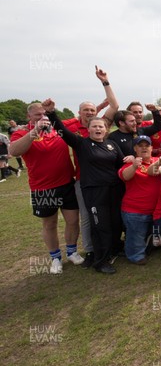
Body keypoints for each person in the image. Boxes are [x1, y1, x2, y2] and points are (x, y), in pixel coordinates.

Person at [44, 99, 128, 274]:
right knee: (100, 226)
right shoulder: (81, 144)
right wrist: (51, 113)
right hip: (94, 192)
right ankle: (100, 261)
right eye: (94, 127)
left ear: (106, 130)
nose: (98, 129)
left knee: (114, 223)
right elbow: (61, 130)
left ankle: (113, 250)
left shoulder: (112, 145)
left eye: (101, 127)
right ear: (88, 129)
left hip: (114, 189)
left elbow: (122, 163)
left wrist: (132, 160)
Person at [9, 103, 81, 274]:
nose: (43, 118)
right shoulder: (22, 133)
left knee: (72, 221)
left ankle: (72, 252)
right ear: (29, 117)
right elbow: (14, 151)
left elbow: (85, 116)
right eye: (37, 115)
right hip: (43, 188)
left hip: (66, 183)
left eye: (44, 114)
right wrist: (35, 131)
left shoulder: (57, 127)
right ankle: (55, 258)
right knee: (50, 223)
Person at [63, 65, 120, 268]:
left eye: (92, 110)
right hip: (84, 179)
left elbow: (114, 104)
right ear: (79, 113)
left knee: (107, 217)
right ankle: (90, 251)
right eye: (85, 111)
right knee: (88, 219)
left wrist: (104, 81)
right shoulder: (71, 127)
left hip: (107, 181)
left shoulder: (100, 124)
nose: (89, 113)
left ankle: (108, 249)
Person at [119, 136, 161, 264]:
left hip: (156, 210)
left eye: (146, 145)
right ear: (135, 149)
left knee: (147, 235)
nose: (144, 148)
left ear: (152, 148)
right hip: (135, 211)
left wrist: (160, 162)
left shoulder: (158, 160)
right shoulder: (129, 164)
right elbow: (125, 176)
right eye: (140, 146)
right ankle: (135, 256)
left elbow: (155, 171)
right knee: (136, 236)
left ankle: (146, 248)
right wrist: (134, 166)